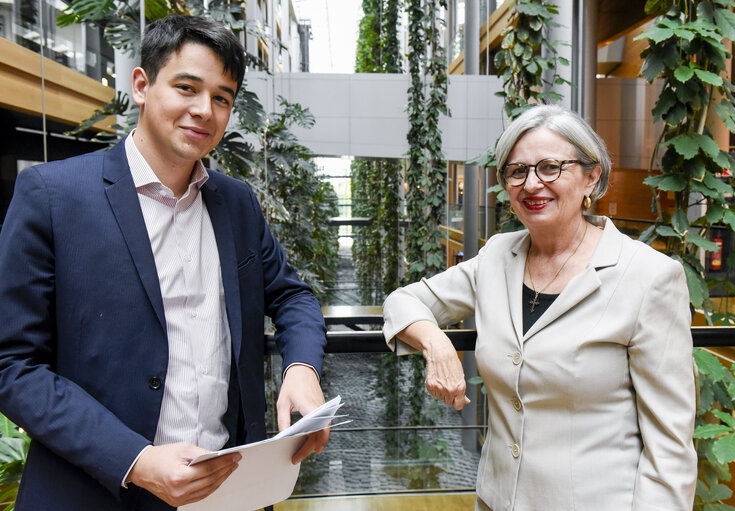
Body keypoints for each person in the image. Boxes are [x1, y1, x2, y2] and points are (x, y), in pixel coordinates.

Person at [0, 15, 329, 510]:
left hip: (229, 492)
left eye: (222, 98)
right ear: (141, 85)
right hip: (98, 491)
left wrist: (301, 367)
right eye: (187, 87)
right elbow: (13, 365)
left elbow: (291, 293)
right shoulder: (52, 196)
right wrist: (135, 458)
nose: (204, 110)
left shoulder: (236, 202)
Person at [382, 105, 697, 510]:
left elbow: (670, 448)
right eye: (517, 171)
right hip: (498, 500)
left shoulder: (649, 276)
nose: (532, 184)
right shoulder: (498, 257)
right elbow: (402, 301)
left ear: (591, 176)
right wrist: (437, 344)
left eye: (550, 167)